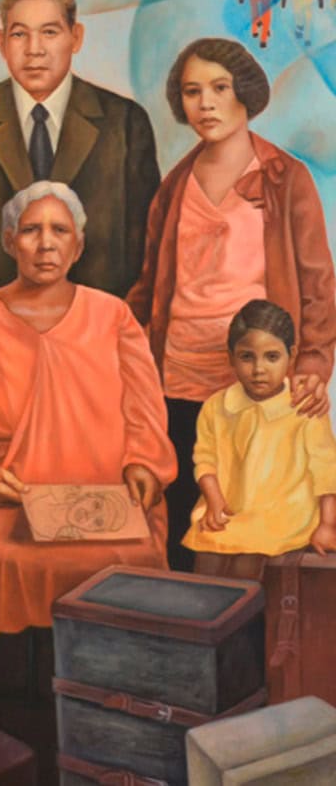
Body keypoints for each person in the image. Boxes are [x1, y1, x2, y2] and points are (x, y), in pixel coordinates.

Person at [0, 181, 175, 664]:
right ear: (9, 241)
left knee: (137, 558)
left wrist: (144, 466)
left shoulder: (113, 316)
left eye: (59, 230)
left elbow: (145, 412)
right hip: (6, 505)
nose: (45, 243)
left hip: (108, 502)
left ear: (78, 245)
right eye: (30, 230)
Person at [124, 37, 335, 572]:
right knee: (182, 529)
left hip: (255, 382)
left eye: (220, 88)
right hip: (177, 378)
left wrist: (311, 362)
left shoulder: (287, 180)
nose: (206, 104)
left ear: (246, 93)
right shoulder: (173, 187)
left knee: (251, 535)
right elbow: (150, 287)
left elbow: (317, 283)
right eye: (193, 92)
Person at [0, 0, 161, 316]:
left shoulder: (124, 122)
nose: (34, 50)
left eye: (49, 32)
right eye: (19, 34)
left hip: (95, 329)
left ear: (76, 37)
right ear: (1, 42)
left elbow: (148, 246)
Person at [184, 300, 336, 580]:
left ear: (291, 356)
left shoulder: (304, 407)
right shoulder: (217, 406)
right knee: (206, 558)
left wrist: (327, 524)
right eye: (246, 357)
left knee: (246, 566)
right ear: (231, 357)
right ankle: (206, 622)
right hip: (230, 508)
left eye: (271, 357)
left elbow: (327, 472)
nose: (258, 369)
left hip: (283, 512)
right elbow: (205, 460)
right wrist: (215, 501)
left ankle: (250, 624)